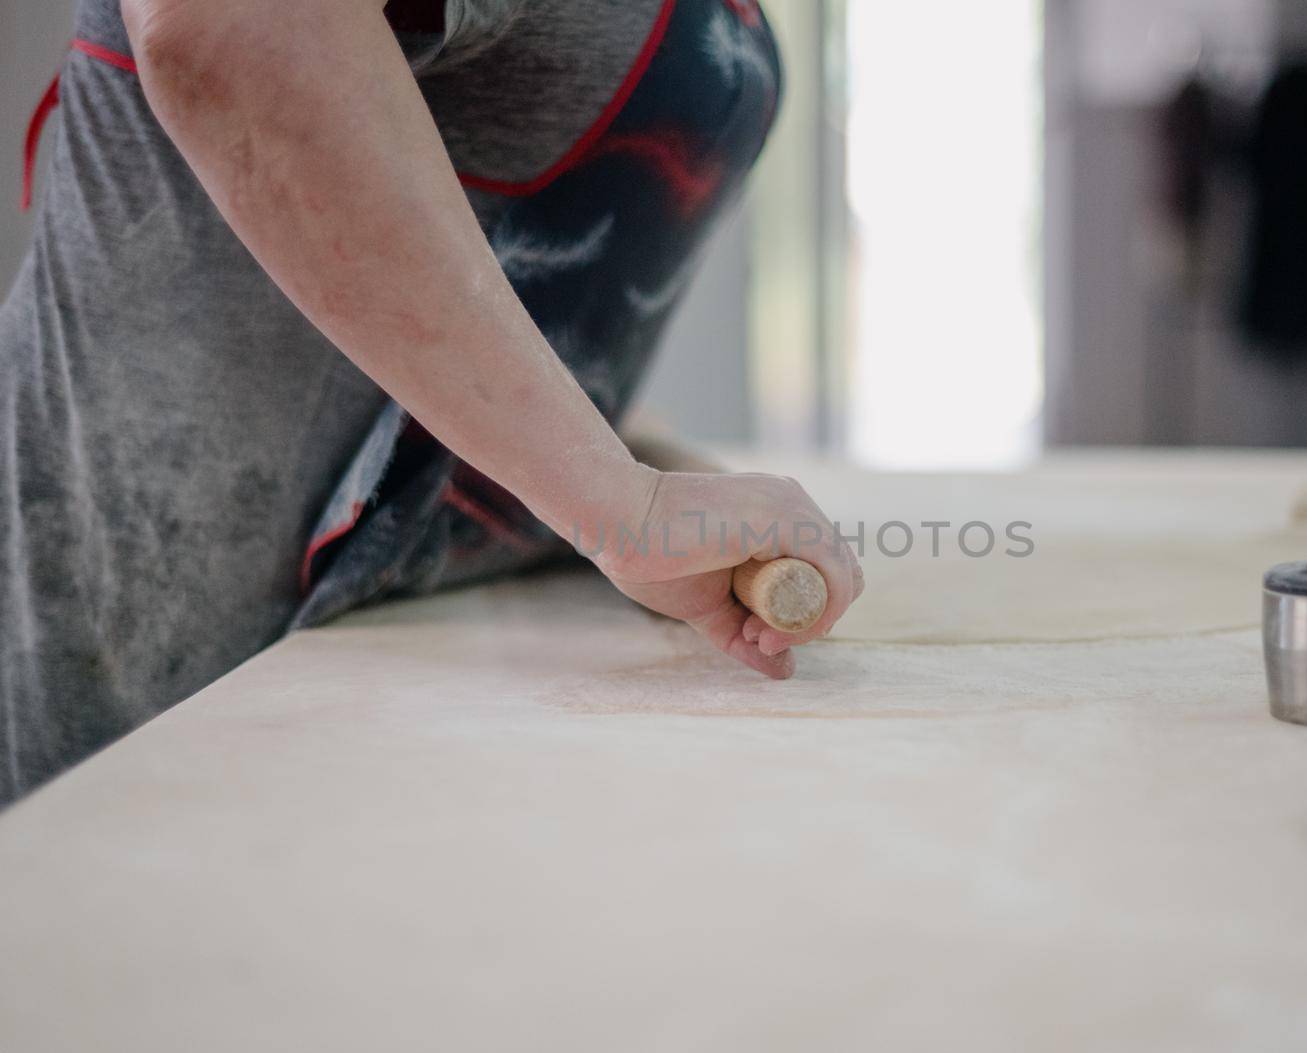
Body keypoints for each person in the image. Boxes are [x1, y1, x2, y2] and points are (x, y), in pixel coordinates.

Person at [0, 0, 864, 804]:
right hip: (129, 718)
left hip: (366, 704)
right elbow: (231, 24)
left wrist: (624, 464)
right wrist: (622, 505)